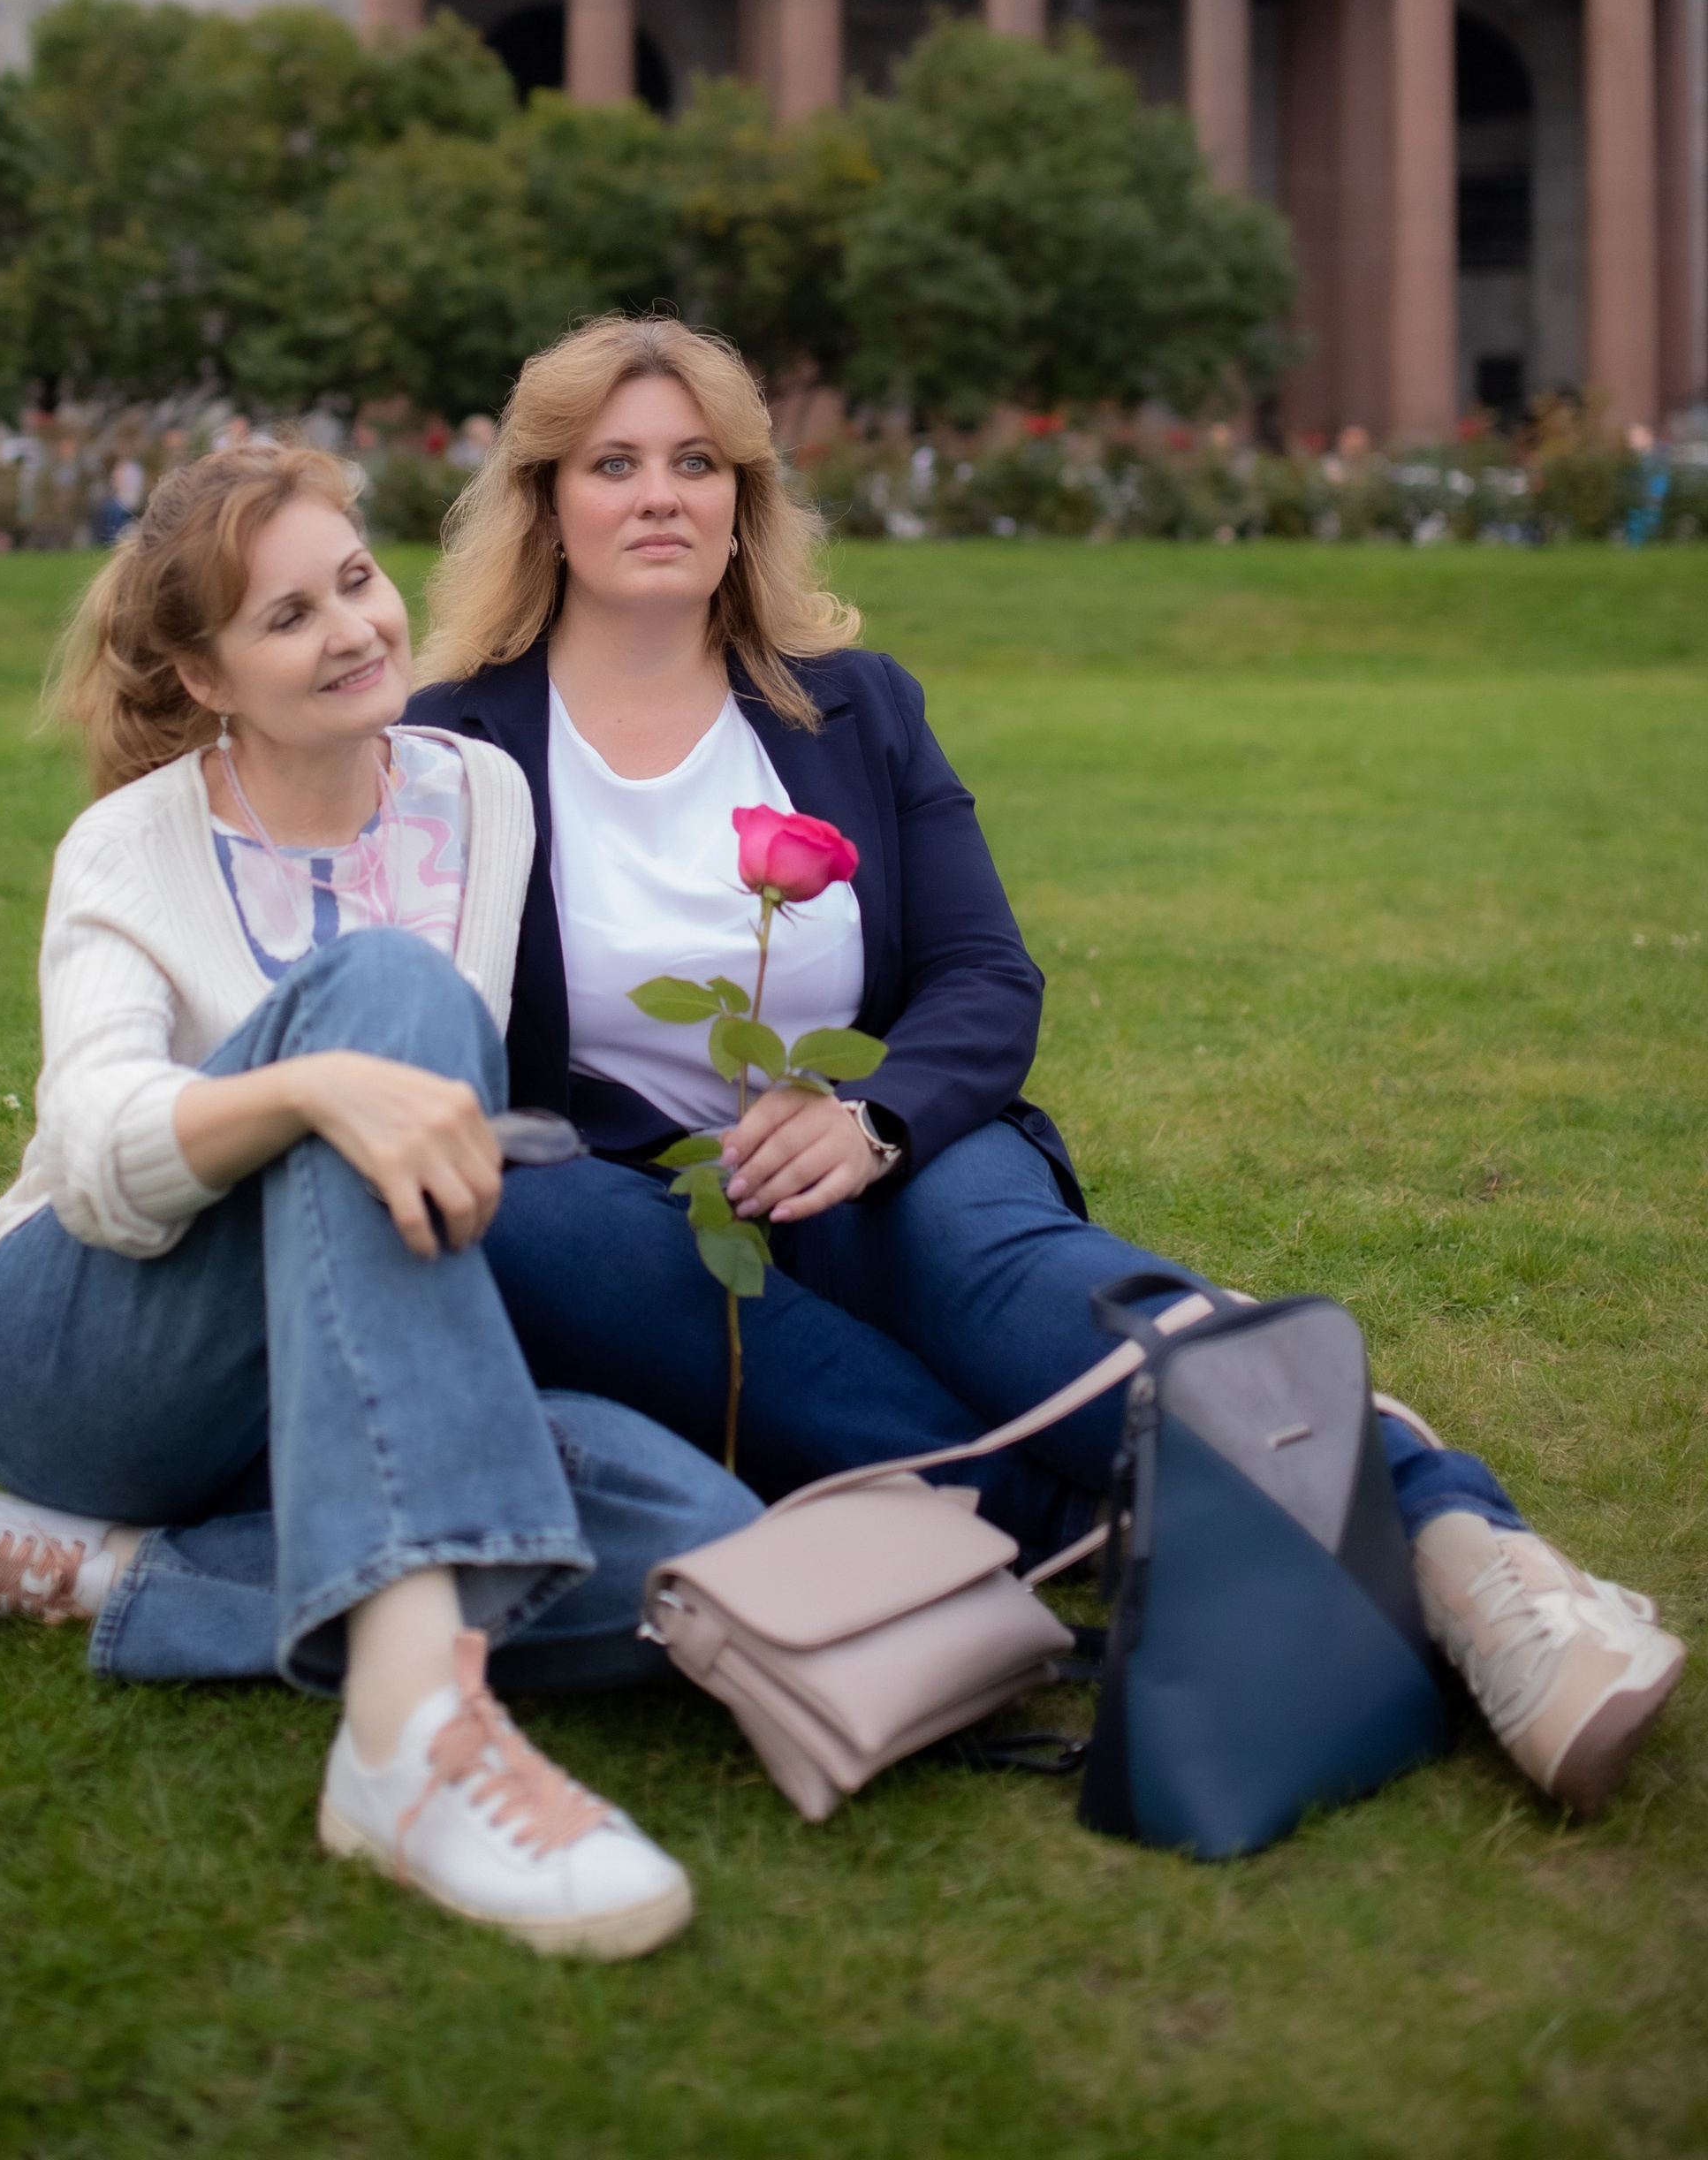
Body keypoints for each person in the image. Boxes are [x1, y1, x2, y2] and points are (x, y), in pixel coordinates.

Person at [408, 316, 1686, 1823]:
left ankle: (1473, 1558)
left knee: (993, 1260)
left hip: (886, 1155)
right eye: (614, 464)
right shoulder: (456, 747)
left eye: (698, 462)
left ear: (746, 497)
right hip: (641, 1218)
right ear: (545, 497)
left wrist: (872, 1120)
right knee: (546, 1221)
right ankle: (1159, 1523)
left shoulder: (852, 704)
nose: (659, 496)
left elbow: (982, 975)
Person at [0, 439, 755, 1958]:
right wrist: (308, 1086)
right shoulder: (127, 848)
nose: (351, 630)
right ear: (204, 675)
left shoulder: (480, 801)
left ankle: (128, 1579)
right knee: (382, 999)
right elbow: (101, 1154)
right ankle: (411, 1749)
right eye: (286, 618)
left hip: (316, 1380)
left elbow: (439, 1153)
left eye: (356, 581)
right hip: (88, 1352)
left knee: (701, 1566)